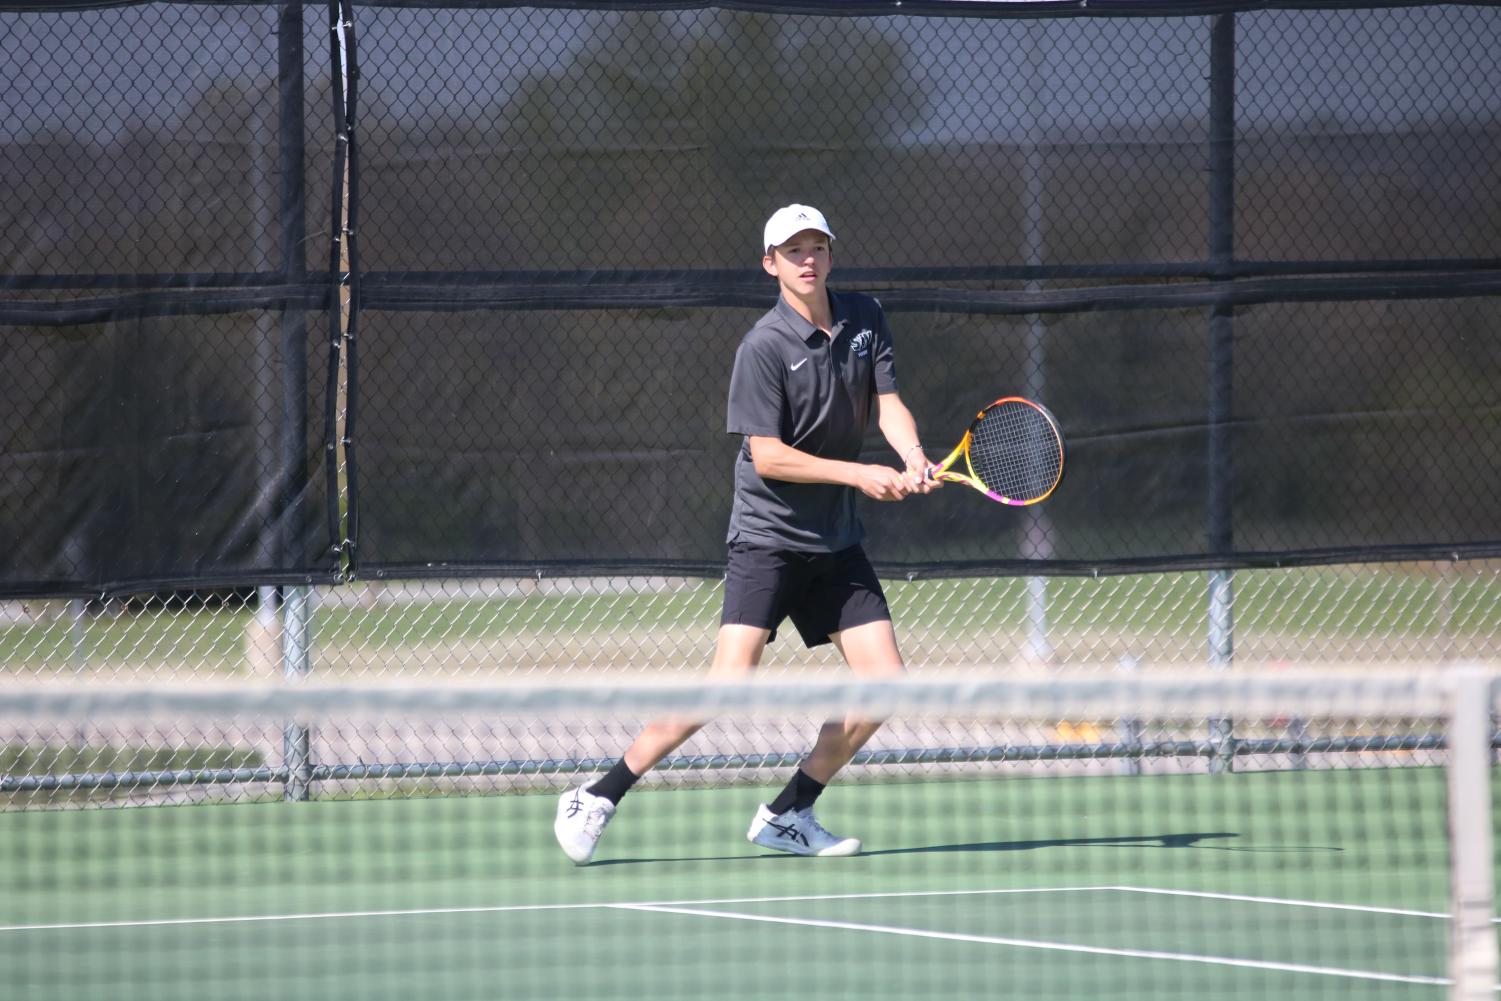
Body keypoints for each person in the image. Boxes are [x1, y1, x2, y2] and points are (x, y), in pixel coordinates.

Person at [553, 204, 936, 865]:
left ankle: (789, 812)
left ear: (830, 255)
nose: (806, 259)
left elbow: (887, 401)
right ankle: (597, 793)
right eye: (793, 251)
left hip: (835, 542)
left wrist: (910, 457)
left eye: (816, 246)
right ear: (771, 264)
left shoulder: (866, 318)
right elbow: (768, 456)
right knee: (729, 680)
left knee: (886, 681)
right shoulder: (762, 347)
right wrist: (859, 473)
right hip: (768, 535)